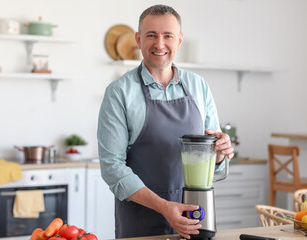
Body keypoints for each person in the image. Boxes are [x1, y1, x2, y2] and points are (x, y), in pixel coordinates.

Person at [97, 4, 234, 239]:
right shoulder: (119, 92)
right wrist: (164, 207)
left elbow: (211, 162)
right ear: (139, 40)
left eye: (168, 36)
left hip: (195, 221)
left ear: (179, 41)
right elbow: (113, 169)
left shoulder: (199, 86)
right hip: (141, 224)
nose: (159, 44)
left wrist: (220, 153)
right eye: (151, 35)